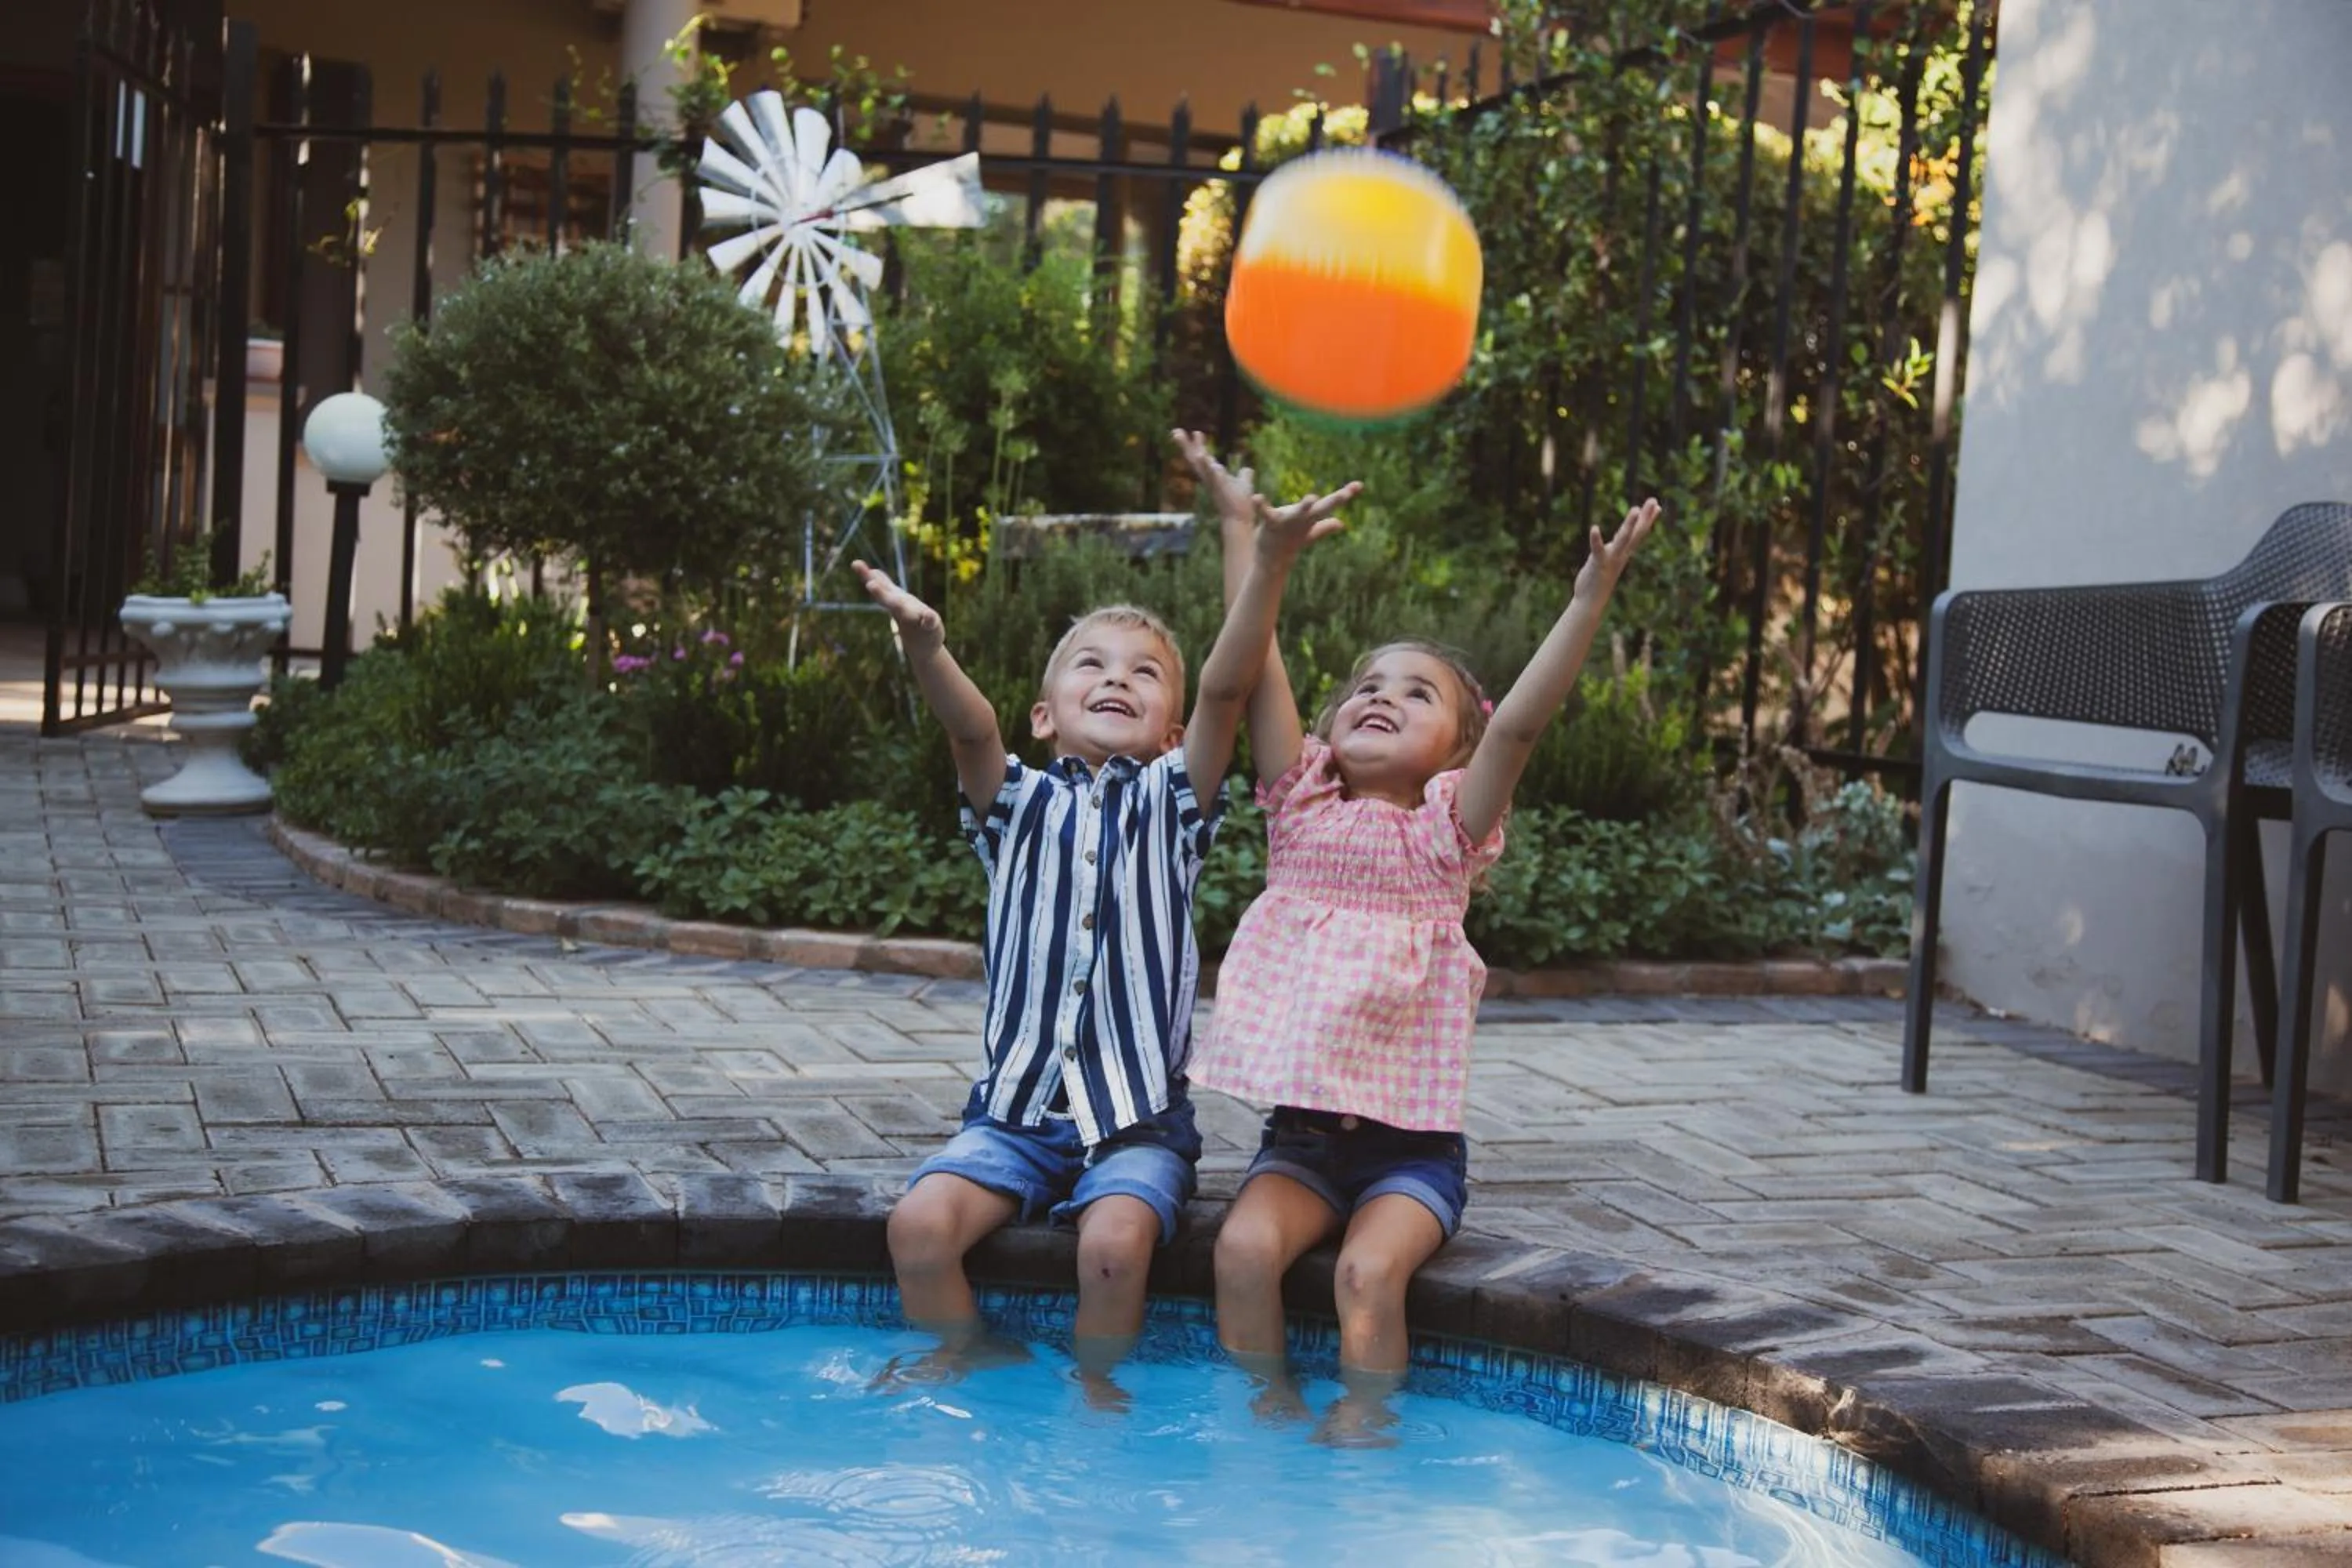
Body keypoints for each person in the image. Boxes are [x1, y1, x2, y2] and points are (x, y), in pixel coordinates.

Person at [1174, 429, 1661, 1440]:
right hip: (1300, 1145)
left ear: (1457, 748)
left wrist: (1588, 599)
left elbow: (1522, 725)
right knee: (1241, 1251)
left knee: (1365, 1270)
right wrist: (1251, 539)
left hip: (1411, 1159)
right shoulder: (1297, 806)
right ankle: (1264, 1411)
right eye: (1367, 684)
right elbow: (1247, 664)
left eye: (1417, 691)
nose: (1381, 696)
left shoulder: (1449, 835)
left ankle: (1366, 1428)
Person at [849, 472, 1351, 1399]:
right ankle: (964, 1347)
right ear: (1044, 717)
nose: (1117, 675)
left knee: (1115, 1248)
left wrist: (1268, 566)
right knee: (916, 1228)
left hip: (1136, 1125)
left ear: (1170, 732)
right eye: (1091, 664)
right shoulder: (1016, 804)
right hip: (1013, 1116)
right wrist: (926, 646)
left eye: (1144, 672)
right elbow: (970, 728)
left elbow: (1230, 685)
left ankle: (1098, 1383)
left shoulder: (1176, 804)